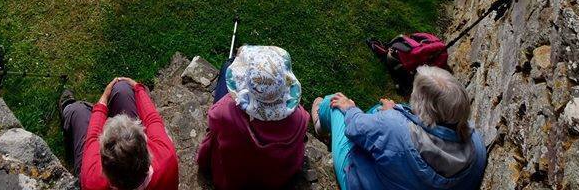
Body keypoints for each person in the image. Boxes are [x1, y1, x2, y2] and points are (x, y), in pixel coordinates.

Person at [312, 65, 487, 190]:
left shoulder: (392, 126)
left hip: (360, 181)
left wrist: (350, 108)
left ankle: (320, 123)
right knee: (379, 111)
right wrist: (393, 112)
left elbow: (354, 127)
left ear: (423, 109)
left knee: (335, 103)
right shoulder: (477, 147)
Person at [197, 45, 309, 190]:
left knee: (227, 64)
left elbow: (212, 123)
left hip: (231, 182)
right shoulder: (300, 119)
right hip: (273, 182)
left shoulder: (224, 112)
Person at [60, 77, 179, 190]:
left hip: (92, 171)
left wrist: (102, 103)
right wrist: (138, 88)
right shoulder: (167, 159)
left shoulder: (93, 181)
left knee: (77, 112)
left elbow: (92, 139)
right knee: (122, 89)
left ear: (104, 169)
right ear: (148, 154)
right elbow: (152, 120)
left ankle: (67, 106)